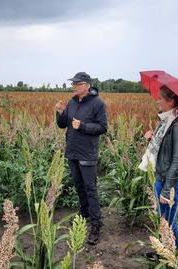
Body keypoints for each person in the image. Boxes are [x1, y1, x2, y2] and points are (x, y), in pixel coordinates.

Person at [55, 72, 107, 245]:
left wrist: (83, 126)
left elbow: (102, 127)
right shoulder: (71, 102)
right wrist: (61, 113)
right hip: (72, 151)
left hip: (87, 153)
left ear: (87, 86)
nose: (73, 86)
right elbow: (63, 125)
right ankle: (84, 214)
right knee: (79, 186)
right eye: (73, 84)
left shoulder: (97, 103)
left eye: (77, 84)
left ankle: (95, 224)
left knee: (90, 188)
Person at [139, 85, 178, 249]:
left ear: (170, 101)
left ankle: (173, 256)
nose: (157, 101)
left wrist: (166, 189)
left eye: (160, 98)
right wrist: (151, 140)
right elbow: (165, 150)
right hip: (161, 178)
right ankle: (164, 252)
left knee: (170, 222)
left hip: (170, 183)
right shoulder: (169, 121)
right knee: (163, 219)